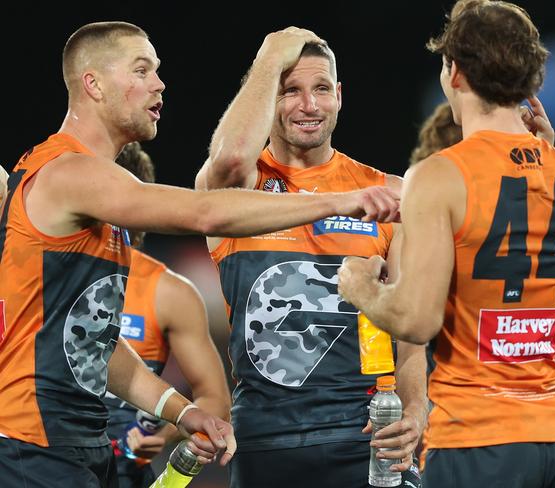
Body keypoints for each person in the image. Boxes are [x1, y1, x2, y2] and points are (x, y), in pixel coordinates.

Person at [0, 21, 399, 488]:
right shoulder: (69, 172)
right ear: (93, 84)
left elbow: (89, 342)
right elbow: (207, 212)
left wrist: (182, 410)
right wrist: (337, 200)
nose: (159, 83)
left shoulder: (94, 193)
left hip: (72, 441)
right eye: (141, 69)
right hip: (30, 441)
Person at [337, 1, 555, 487]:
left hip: (477, 440)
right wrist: (545, 150)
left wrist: (359, 285)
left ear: (454, 73)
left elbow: (416, 319)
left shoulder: (439, 174)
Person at [195, 27, 428, 488]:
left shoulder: (391, 194)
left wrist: (416, 410)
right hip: (267, 439)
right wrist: (269, 56)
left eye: (321, 89)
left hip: (366, 436)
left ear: (339, 95)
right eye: (290, 91)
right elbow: (230, 156)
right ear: (266, 99)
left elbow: (412, 335)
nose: (309, 105)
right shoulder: (234, 191)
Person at [102, 142, 232, 487]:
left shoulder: (169, 293)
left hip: (122, 472)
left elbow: (215, 400)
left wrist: (163, 433)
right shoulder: (41, 276)